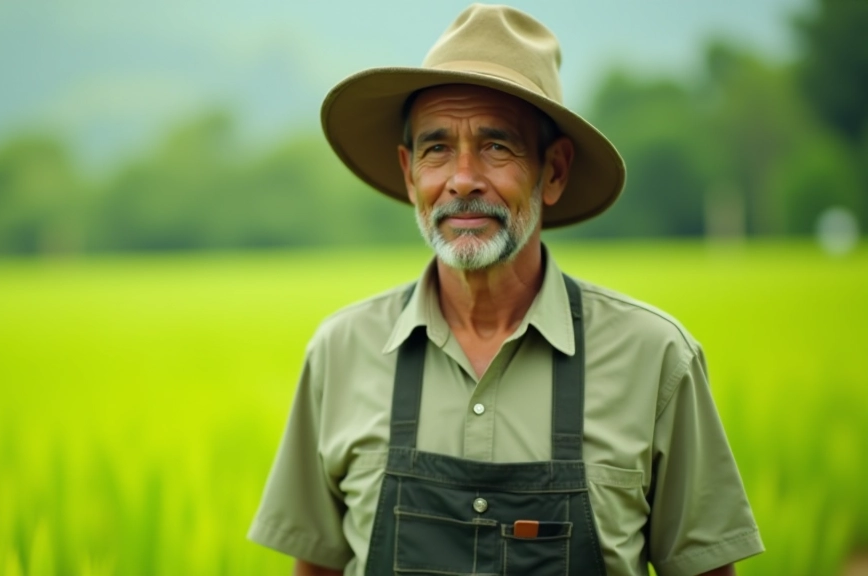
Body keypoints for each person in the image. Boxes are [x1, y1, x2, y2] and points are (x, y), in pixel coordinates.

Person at [248, 5, 764, 576]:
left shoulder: (657, 360)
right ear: (408, 171)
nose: (462, 179)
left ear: (555, 171)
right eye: (437, 148)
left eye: (497, 147)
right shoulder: (341, 352)